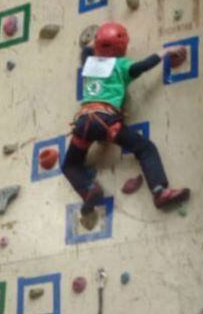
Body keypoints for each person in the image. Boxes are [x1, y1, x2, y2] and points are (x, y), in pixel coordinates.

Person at [62, 22, 190, 212]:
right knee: (145, 149)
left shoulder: (89, 63)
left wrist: (95, 41)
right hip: (107, 124)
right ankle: (159, 191)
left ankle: (89, 190)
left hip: (83, 125)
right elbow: (143, 66)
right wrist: (166, 51)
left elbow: (86, 51)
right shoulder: (122, 66)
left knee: (70, 165)